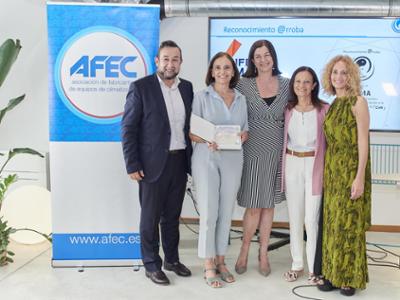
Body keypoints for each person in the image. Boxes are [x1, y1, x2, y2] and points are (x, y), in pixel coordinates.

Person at [121, 40, 193, 286]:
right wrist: (132, 164)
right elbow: (128, 128)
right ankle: (151, 264)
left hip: (179, 161)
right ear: (157, 61)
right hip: (151, 165)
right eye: (166, 59)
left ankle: (171, 259)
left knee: (172, 216)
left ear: (180, 62)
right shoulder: (141, 88)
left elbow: (189, 126)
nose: (170, 64)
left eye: (175, 59)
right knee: (150, 217)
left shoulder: (187, 88)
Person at [190, 52, 248, 288]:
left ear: (233, 71)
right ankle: (209, 264)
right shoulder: (201, 96)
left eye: (227, 68)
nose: (222, 72)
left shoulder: (241, 99)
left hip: (233, 158)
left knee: (226, 212)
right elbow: (193, 133)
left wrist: (242, 137)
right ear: (211, 72)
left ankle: (222, 260)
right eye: (218, 68)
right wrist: (207, 140)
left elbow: (245, 130)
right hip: (207, 158)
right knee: (209, 212)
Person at [234, 40, 290, 276]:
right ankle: (244, 250)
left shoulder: (287, 85)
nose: (263, 59)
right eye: (257, 56)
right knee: (253, 206)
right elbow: (230, 109)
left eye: (267, 55)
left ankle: (263, 253)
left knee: (268, 205)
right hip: (252, 147)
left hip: (277, 149)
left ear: (273, 57)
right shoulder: (242, 84)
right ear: (252, 60)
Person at [317, 55, 371, 296]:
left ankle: (349, 278)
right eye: (335, 72)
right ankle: (331, 274)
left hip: (351, 169)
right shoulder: (332, 104)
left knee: (348, 225)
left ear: (352, 76)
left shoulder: (358, 102)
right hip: (333, 170)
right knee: (332, 225)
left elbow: (363, 141)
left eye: (344, 72)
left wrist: (359, 177)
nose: (338, 77)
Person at [281, 66, 329, 284]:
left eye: (307, 82)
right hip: (292, 163)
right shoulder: (287, 109)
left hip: (314, 165)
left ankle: (313, 269)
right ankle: (297, 264)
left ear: (314, 85)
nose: (302, 86)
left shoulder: (324, 110)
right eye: (298, 81)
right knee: (295, 217)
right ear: (293, 85)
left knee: (312, 219)